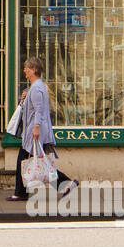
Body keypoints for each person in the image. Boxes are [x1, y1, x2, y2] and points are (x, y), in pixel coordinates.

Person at [8, 56, 77, 201]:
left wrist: (36, 128)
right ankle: (22, 192)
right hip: (36, 132)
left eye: (27, 68)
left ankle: (21, 192)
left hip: (36, 133)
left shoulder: (37, 87)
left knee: (28, 161)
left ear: (33, 70)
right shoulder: (36, 87)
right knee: (41, 163)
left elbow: (39, 110)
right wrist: (25, 98)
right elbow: (33, 108)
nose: (24, 70)